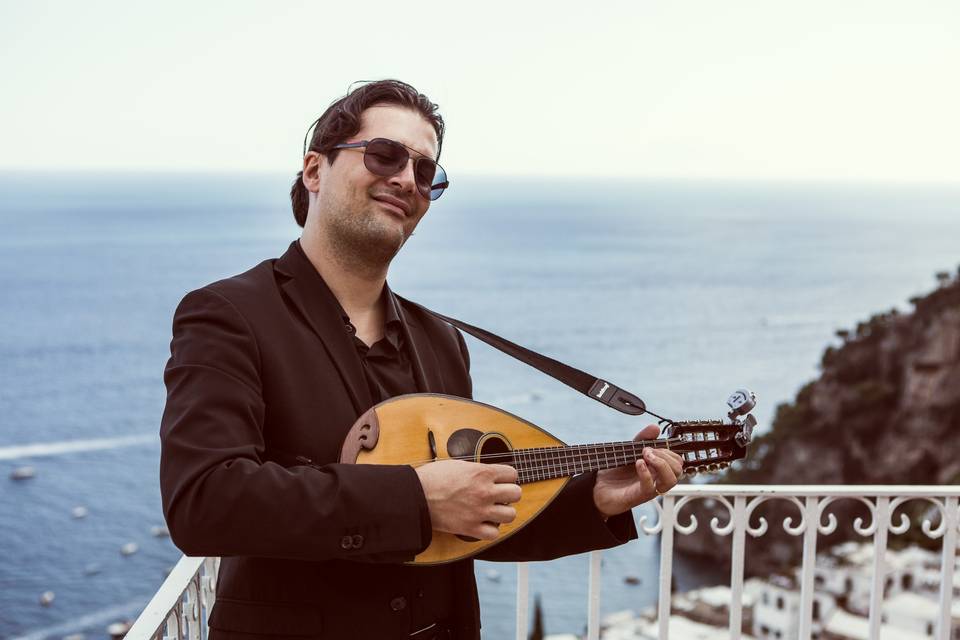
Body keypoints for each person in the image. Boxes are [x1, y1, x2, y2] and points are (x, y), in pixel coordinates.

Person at [159, 79, 683, 640]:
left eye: (425, 171)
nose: (406, 179)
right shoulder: (229, 313)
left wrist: (595, 500)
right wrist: (414, 498)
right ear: (315, 170)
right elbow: (204, 500)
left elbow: (466, 517)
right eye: (384, 154)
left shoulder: (441, 341)